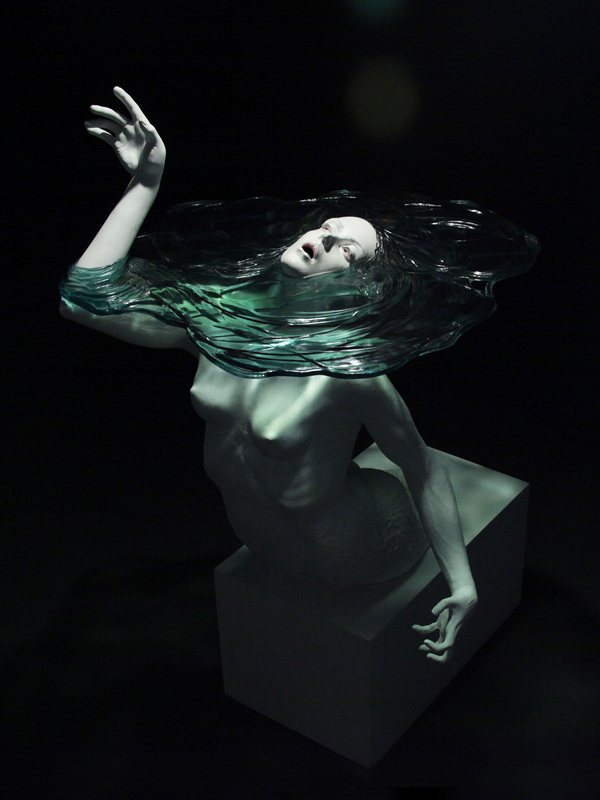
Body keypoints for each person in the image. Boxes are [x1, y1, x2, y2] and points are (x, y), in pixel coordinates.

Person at [60, 88, 537, 662]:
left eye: (347, 250)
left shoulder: (346, 371)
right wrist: (144, 184)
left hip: (361, 551)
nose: (323, 239)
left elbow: (421, 464)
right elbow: (84, 300)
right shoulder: (218, 324)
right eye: (327, 226)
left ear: (356, 283)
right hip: (263, 544)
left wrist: (462, 582)